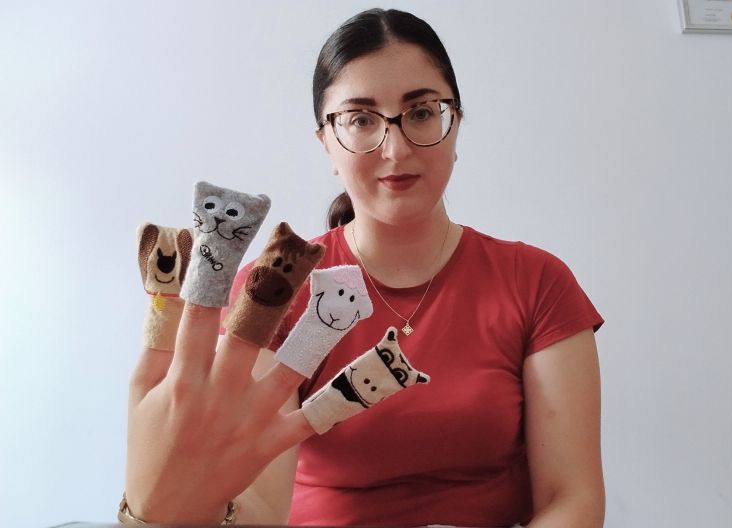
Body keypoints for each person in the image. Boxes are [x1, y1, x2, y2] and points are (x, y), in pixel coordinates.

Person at [123, 8, 605, 527]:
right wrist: (169, 506)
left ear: (455, 124)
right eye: (360, 119)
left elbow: (573, 499)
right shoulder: (272, 290)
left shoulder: (537, 283)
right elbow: (260, 509)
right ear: (327, 143)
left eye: (422, 112)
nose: (395, 149)